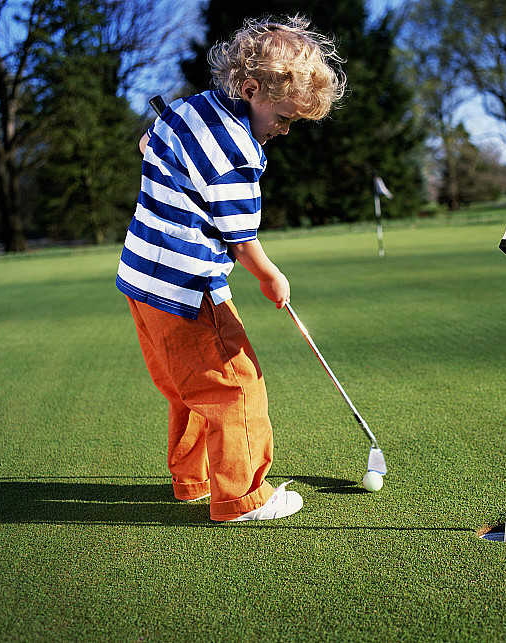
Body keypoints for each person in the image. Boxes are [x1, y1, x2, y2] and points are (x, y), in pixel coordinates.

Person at [116, 15, 345, 521]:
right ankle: (242, 497)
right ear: (251, 90)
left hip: (139, 279)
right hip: (187, 286)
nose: (284, 130)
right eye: (283, 118)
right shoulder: (239, 155)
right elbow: (242, 240)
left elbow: (146, 144)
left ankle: (193, 479)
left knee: (187, 387)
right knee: (235, 385)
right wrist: (271, 277)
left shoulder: (189, 110)